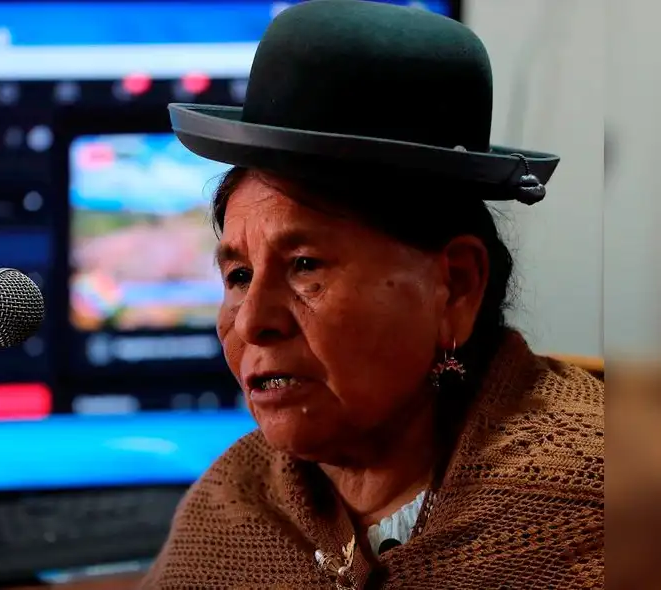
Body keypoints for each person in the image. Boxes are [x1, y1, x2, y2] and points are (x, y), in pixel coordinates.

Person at [141, 1, 605, 588]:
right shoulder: (233, 508)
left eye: (305, 266)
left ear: (455, 286)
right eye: (238, 276)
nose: (253, 321)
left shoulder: (598, 511)